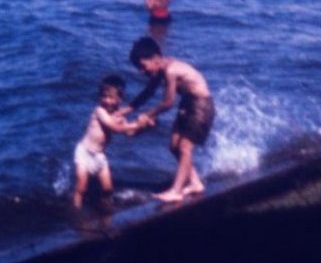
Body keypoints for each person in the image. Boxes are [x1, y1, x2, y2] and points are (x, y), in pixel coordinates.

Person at [128, 36, 215, 203]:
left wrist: (148, 115)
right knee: (173, 146)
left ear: (155, 58)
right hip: (188, 105)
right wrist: (126, 110)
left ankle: (176, 190)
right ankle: (195, 183)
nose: (141, 71)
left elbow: (168, 103)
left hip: (201, 106)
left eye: (142, 66)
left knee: (184, 147)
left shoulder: (171, 70)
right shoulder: (161, 68)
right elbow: (148, 92)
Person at [72, 74, 152, 209]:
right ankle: (76, 209)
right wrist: (136, 124)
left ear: (119, 99)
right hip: (84, 152)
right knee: (81, 187)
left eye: (110, 98)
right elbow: (113, 127)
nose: (106, 101)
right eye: (103, 97)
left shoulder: (119, 115)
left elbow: (129, 133)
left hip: (99, 155)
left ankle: (106, 209)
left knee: (108, 189)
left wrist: (144, 127)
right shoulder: (99, 111)